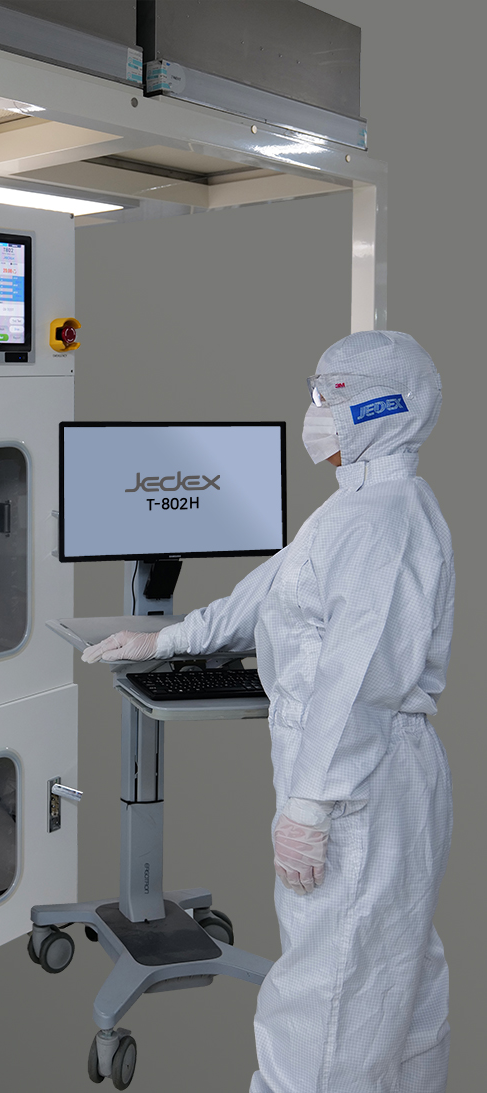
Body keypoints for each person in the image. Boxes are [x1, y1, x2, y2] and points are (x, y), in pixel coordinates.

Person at [82, 331, 454, 1093]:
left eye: (329, 396)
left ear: (379, 407)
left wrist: (309, 807)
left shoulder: (379, 522)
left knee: (329, 992)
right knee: (392, 975)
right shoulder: (355, 507)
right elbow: (267, 592)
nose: (314, 411)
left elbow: (357, 684)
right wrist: (166, 638)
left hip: (353, 783)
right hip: (372, 774)